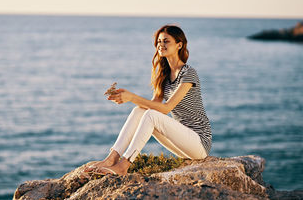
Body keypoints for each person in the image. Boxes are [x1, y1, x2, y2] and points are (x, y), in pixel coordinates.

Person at [85, 25, 212, 176]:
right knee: (140, 111)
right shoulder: (165, 75)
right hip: (181, 145)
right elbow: (153, 106)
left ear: (179, 45)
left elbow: (166, 109)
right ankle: (111, 159)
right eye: (159, 42)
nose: (161, 45)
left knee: (150, 115)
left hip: (198, 143)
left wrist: (131, 97)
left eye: (166, 41)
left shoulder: (188, 73)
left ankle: (123, 166)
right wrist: (125, 97)